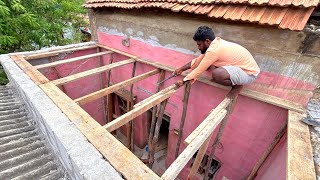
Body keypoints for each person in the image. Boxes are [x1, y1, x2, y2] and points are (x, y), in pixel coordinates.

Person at [174, 26, 260, 90]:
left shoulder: (214, 50)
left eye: (199, 44)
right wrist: (181, 69)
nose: (198, 48)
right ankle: (234, 80)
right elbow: (198, 61)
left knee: (217, 74)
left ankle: (237, 86)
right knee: (208, 64)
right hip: (240, 69)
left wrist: (183, 81)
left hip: (249, 74)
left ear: (207, 41)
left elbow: (199, 69)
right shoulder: (215, 43)